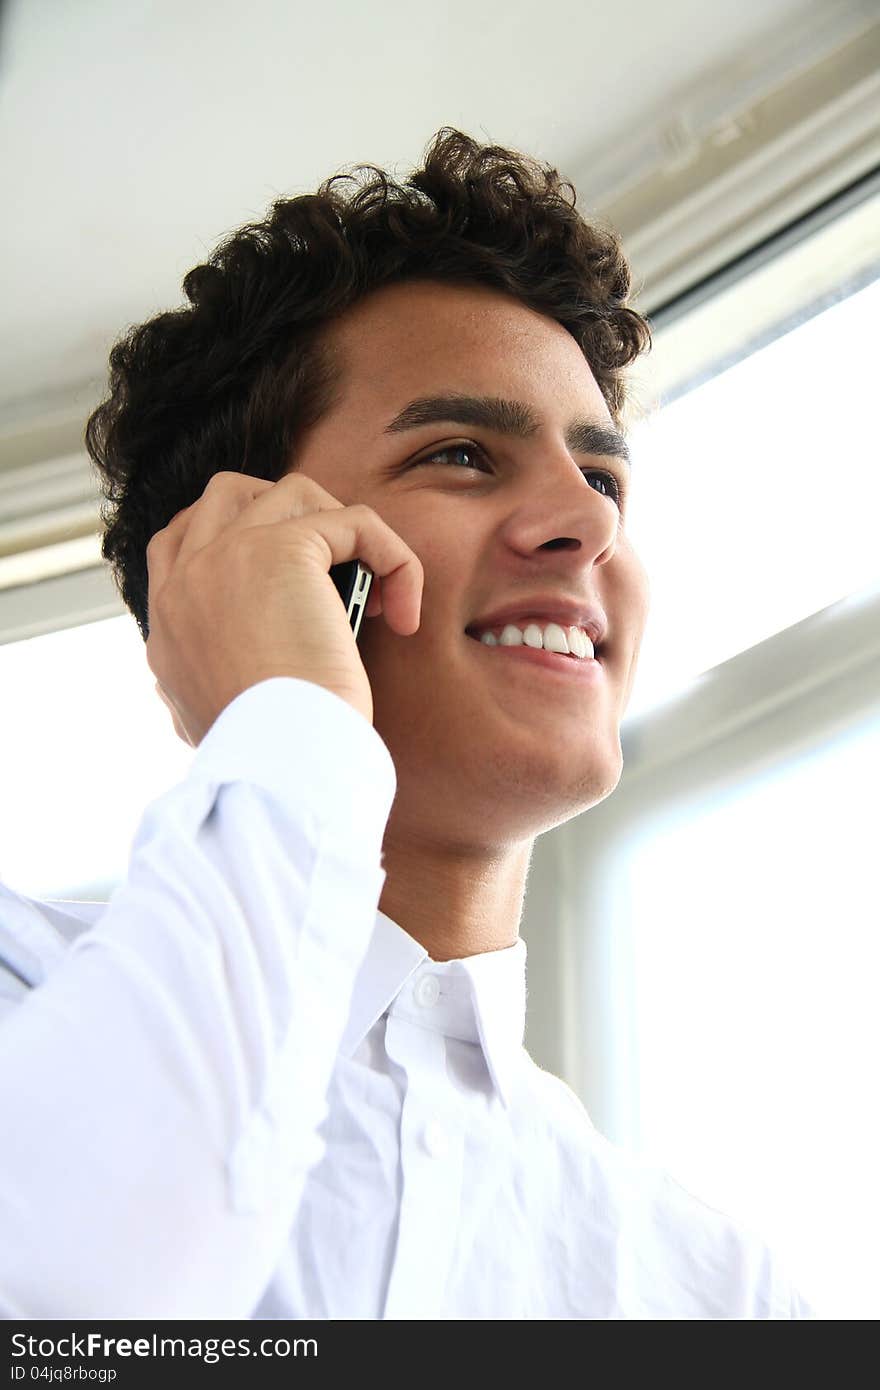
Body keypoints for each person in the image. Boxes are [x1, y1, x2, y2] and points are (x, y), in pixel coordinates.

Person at [0, 128, 812, 1318]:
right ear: (261, 558)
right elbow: (82, 1307)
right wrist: (291, 722)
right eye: (463, 454)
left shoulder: (716, 1290)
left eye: (604, 480)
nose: (582, 525)